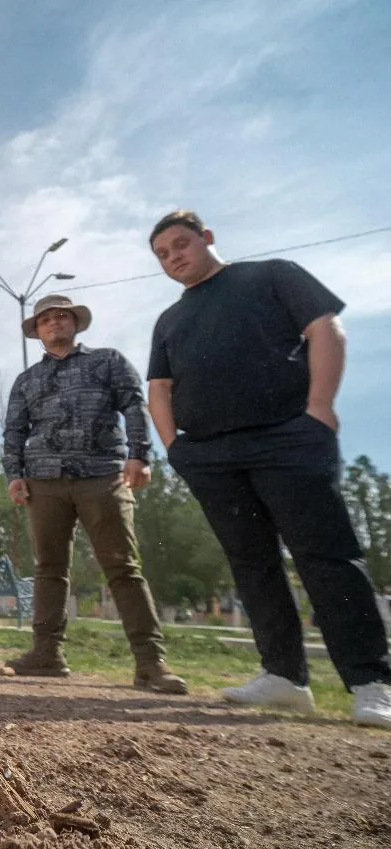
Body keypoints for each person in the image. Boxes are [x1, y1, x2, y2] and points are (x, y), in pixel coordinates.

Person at [148, 209, 390, 727]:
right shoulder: (170, 320)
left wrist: (320, 407)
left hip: (288, 437)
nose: (174, 257)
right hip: (211, 454)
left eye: (181, 244)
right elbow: (159, 389)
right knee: (250, 563)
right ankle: (284, 676)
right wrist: (175, 447)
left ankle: (372, 681)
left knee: (325, 554)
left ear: (207, 238)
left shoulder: (271, 275)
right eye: (163, 254)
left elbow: (325, 328)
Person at [2, 294, 186, 694]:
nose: (54, 323)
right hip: (44, 481)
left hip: (102, 475)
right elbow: (14, 431)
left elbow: (135, 406)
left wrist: (140, 455)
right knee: (48, 569)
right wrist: (14, 475)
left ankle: (150, 662)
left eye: (61, 316)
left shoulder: (108, 361)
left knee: (122, 567)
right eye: (46, 319)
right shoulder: (27, 380)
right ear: (37, 330)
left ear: (75, 323)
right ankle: (47, 654)